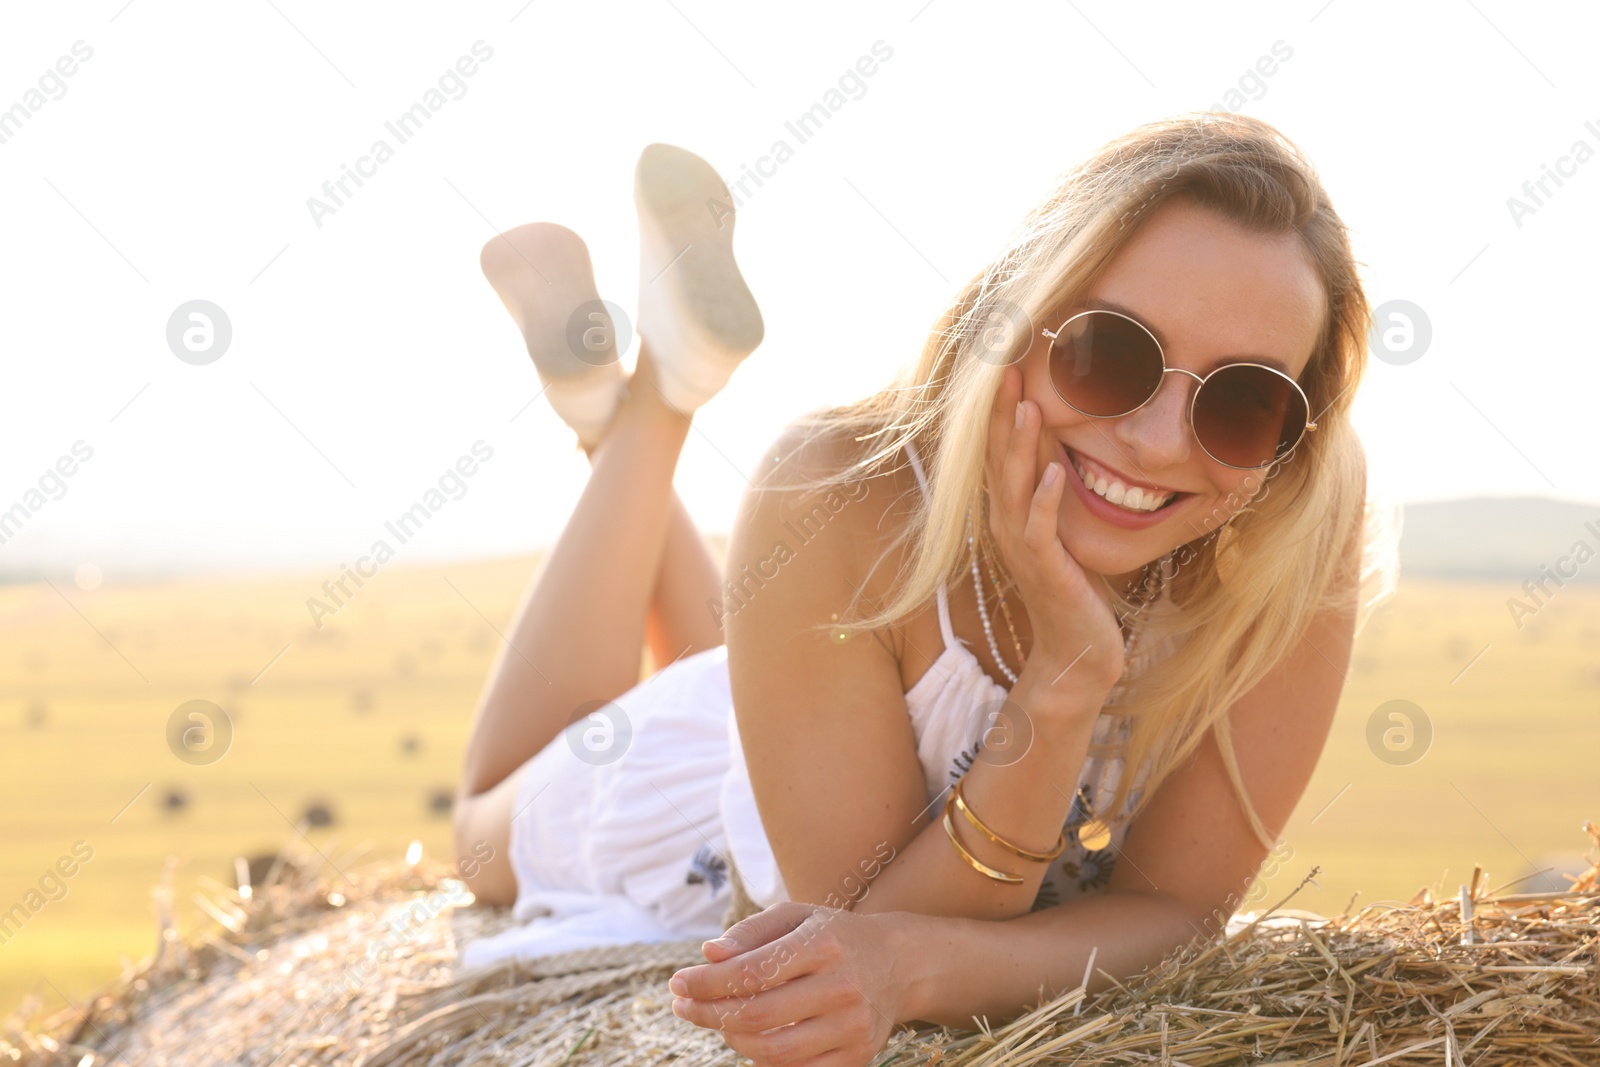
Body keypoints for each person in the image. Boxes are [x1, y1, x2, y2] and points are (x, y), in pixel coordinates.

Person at [452, 117, 1396, 1067]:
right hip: (699, 803)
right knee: (479, 839)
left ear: (1295, 432)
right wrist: (1064, 682)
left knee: (721, 655)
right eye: (1112, 352)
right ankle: (656, 401)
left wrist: (909, 958)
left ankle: (622, 396)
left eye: (1243, 400)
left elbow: (1178, 913)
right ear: (1014, 322)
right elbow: (859, 944)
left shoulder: (1295, 529)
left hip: (805, 691)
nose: (1156, 442)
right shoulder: (836, 488)